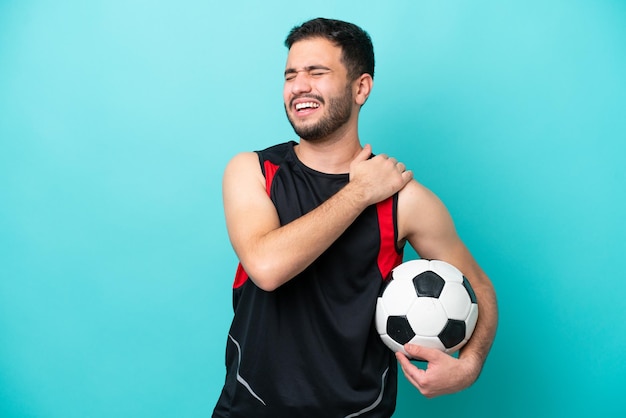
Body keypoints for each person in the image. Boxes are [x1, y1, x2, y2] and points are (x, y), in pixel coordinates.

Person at [213, 17, 498, 418]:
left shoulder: (406, 201)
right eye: (291, 74)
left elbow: (480, 287)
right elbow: (267, 266)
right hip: (248, 409)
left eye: (317, 72)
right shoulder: (252, 171)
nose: (299, 86)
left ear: (361, 87)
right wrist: (360, 191)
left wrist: (469, 367)